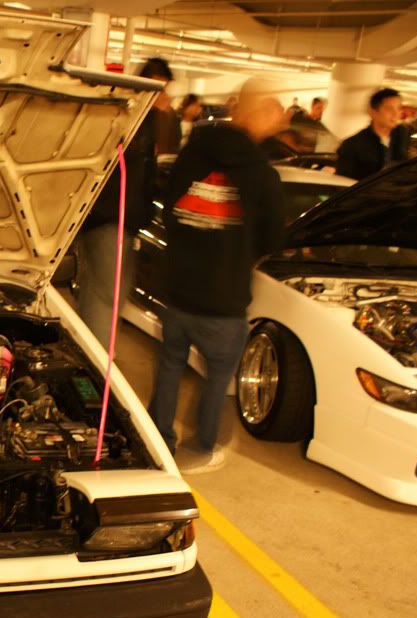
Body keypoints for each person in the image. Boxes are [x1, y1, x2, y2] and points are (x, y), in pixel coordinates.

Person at [147, 79, 287, 473]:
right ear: (255, 116)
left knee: (170, 365)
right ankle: (201, 447)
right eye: (271, 113)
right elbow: (274, 238)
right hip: (224, 298)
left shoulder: (195, 151)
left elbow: (170, 207)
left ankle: (157, 439)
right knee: (217, 377)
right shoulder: (262, 175)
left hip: (179, 288)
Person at [74, 57, 169, 349]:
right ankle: (98, 363)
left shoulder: (132, 120)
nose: (168, 99)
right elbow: (130, 178)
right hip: (111, 219)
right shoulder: (135, 122)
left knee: (99, 290)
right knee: (107, 294)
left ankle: (91, 354)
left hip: (104, 217)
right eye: (164, 90)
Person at [336, 87, 408, 181]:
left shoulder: (401, 136)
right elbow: (343, 183)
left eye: (398, 108)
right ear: (373, 112)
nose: (395, 113)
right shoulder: (353, 145)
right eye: (389, 108)